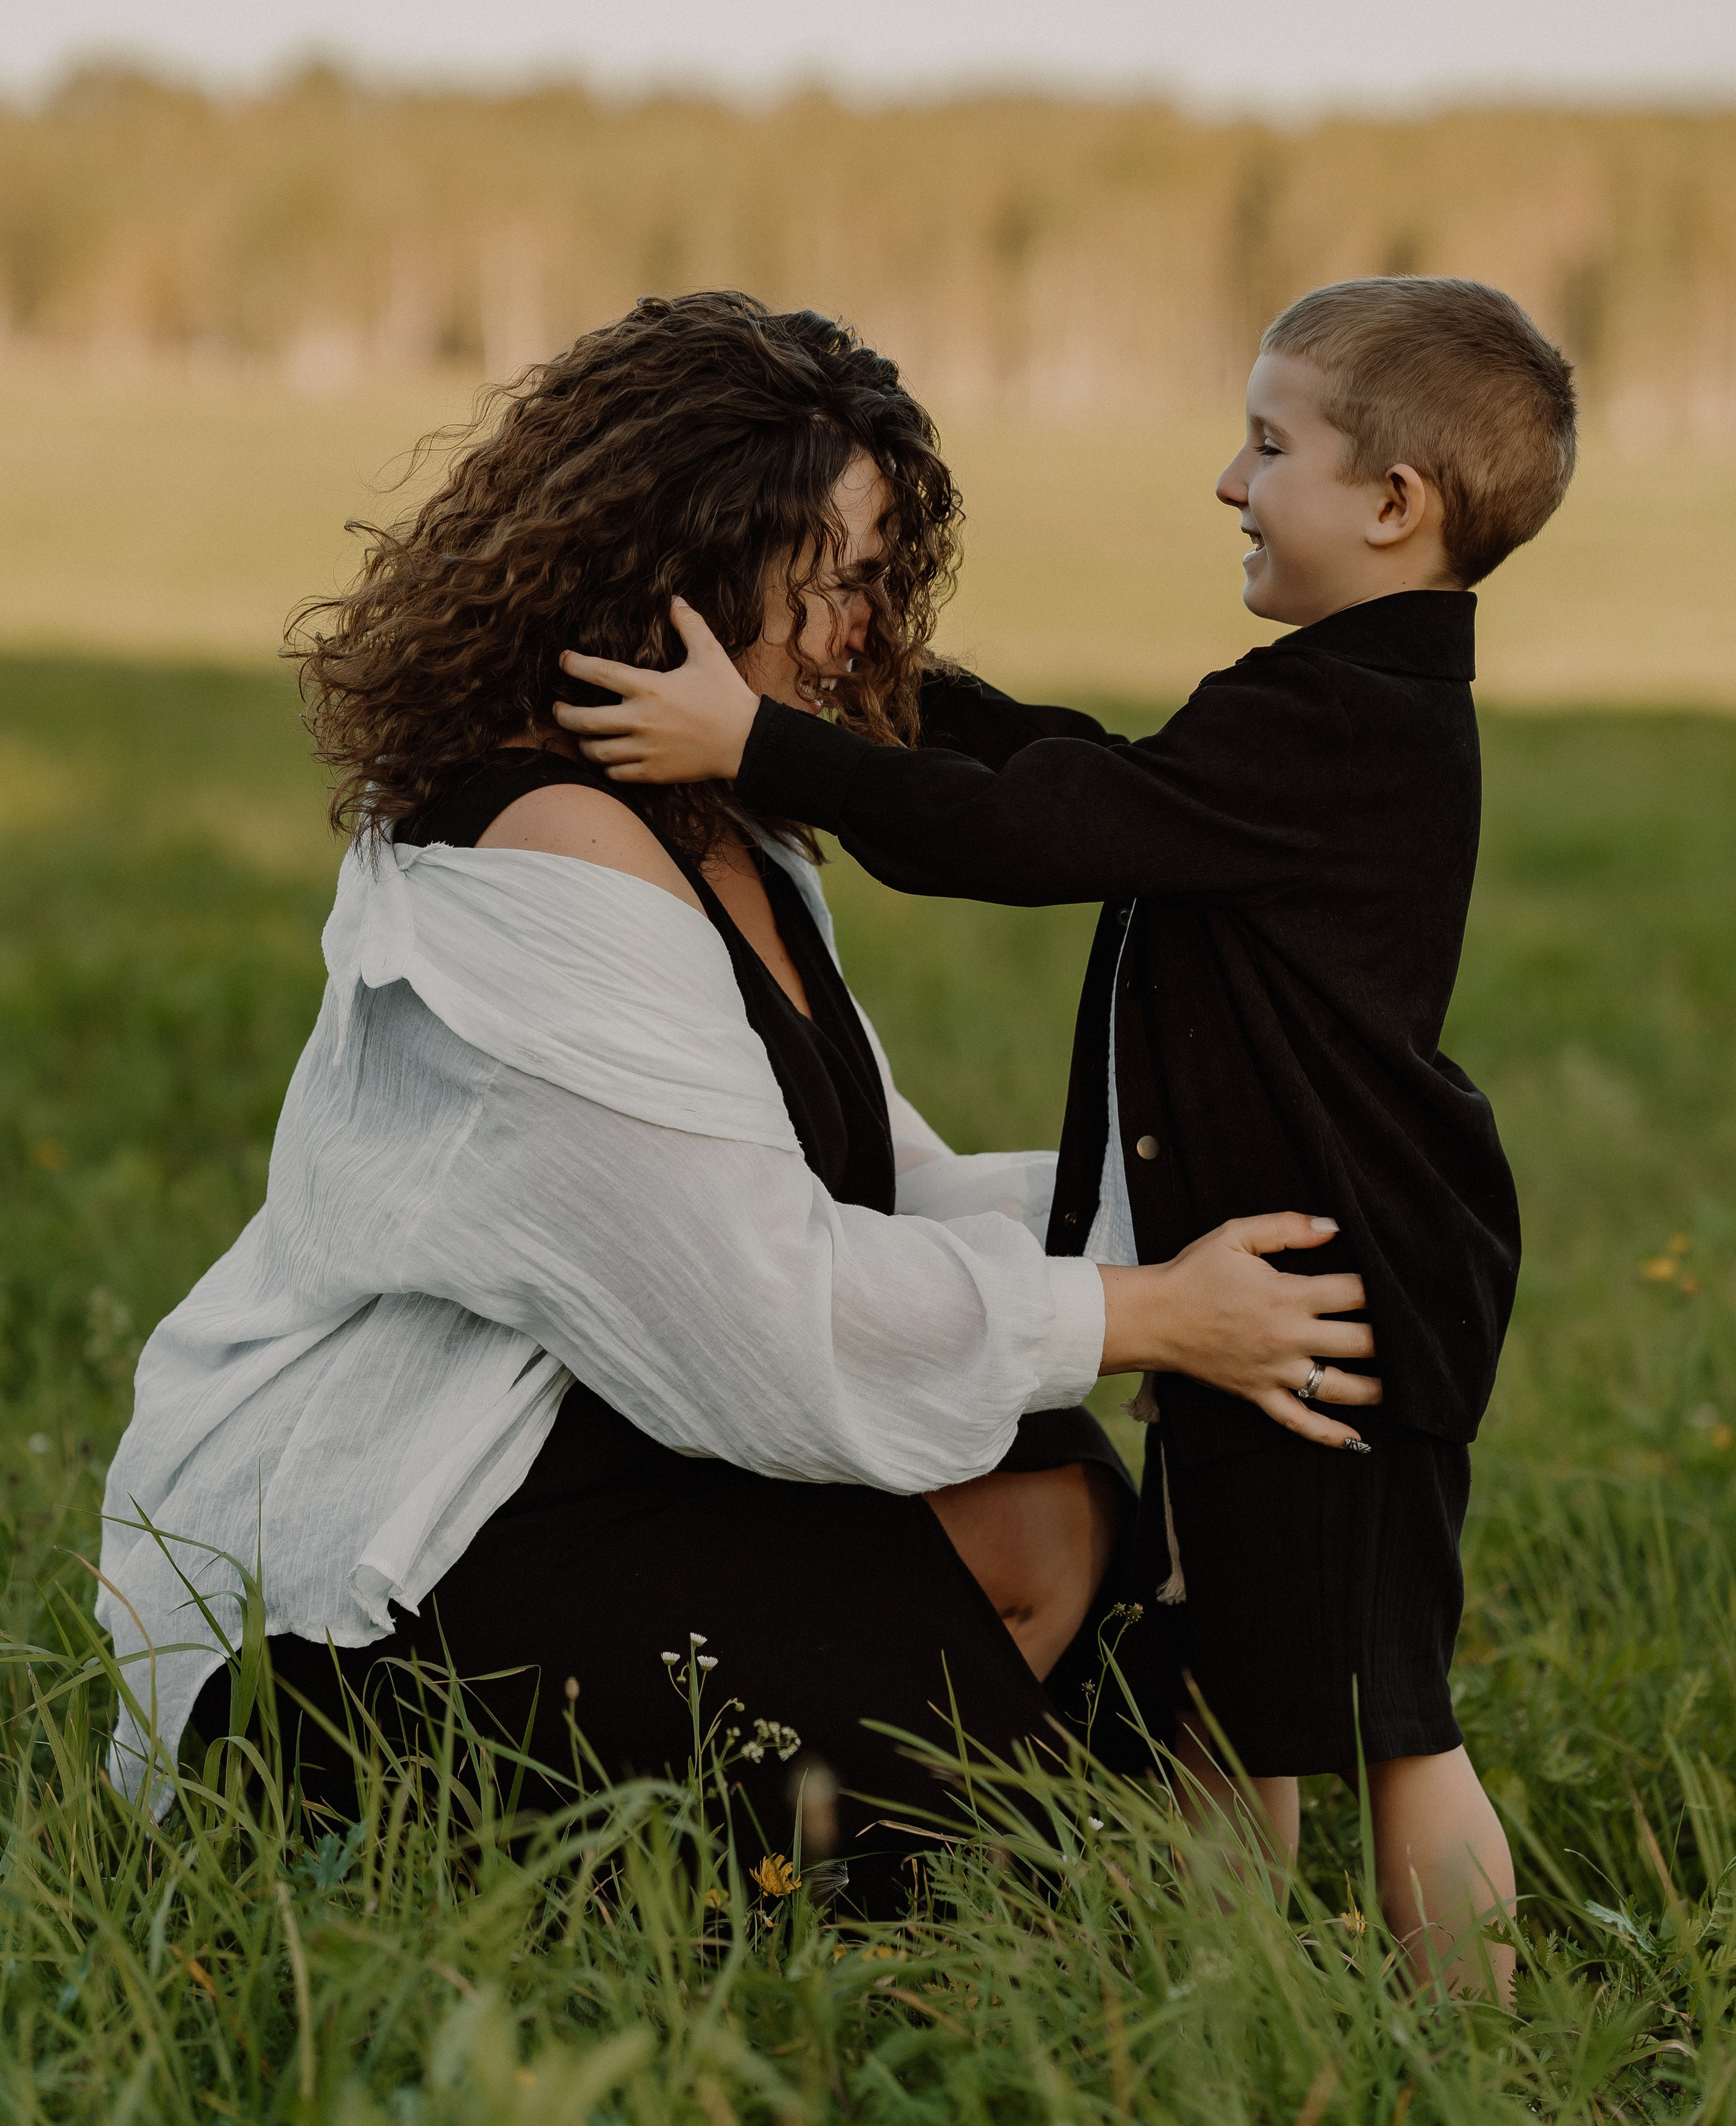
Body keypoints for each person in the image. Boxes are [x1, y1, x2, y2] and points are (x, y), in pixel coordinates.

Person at [97, 291, 1377, 1896]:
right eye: (838, 584)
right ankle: (368, 1835)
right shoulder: (543, 852)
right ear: (682, 571)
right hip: (399, 1548)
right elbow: (768, 1320)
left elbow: (878, 1191)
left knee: (1059, 1507)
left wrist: (1249, 1207)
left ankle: (1001, 1836)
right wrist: (1151, 1314)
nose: (864, 632)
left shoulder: (724, 827)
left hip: (617, 1434)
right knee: (987, 1877)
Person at [552, 275, 1579, 1989]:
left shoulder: (1351, 721)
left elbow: (1043, 828)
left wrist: (767, 742)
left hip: (1337, 1291)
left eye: (1268, 444)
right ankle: (1208, 2001)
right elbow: (1097, 773)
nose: (1226, 482)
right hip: (1274, 1273)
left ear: (1395, 506)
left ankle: (1469, 2036)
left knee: (1384, 1710)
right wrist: (893, 690)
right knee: (1231, 1669)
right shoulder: (1326, 705)